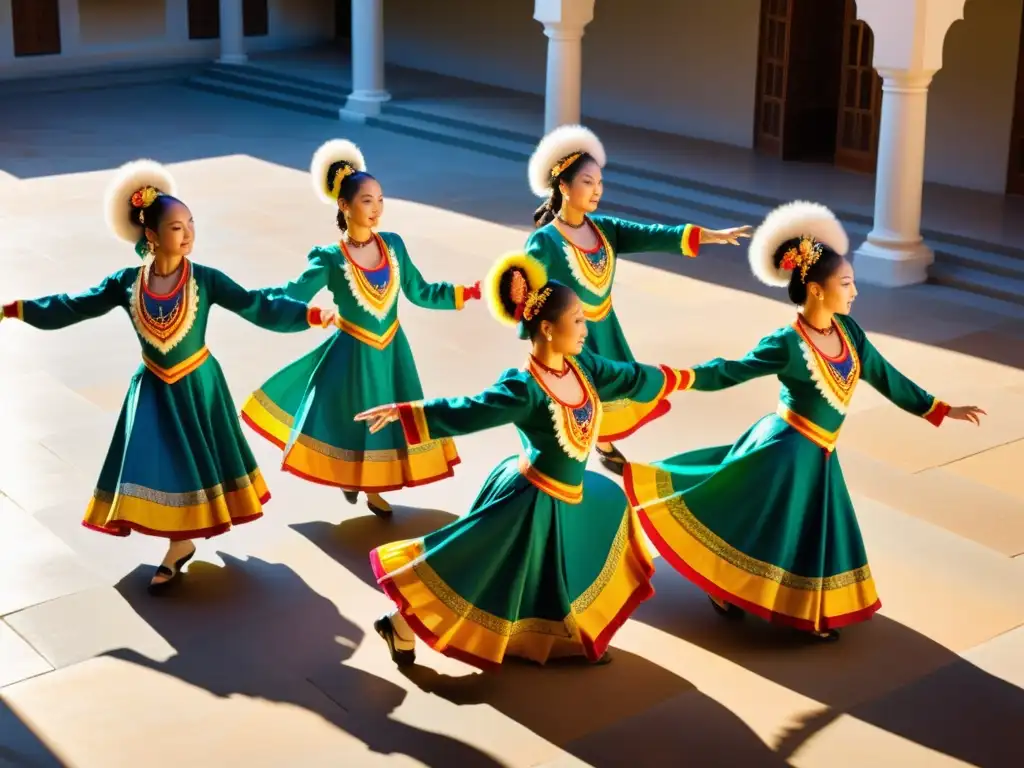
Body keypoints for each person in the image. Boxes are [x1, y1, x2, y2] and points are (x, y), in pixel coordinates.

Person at [622, 201, 986, 640]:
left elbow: (886, 376)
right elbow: (731, 370)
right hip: (784, 451)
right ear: (815, 289)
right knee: (757, 522)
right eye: (846, 283)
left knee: (800, 531)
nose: (854, 292)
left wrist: (939, 408)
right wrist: (675, 377)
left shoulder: (849, 333)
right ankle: (734, 591)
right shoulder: (787, 343)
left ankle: (802, 606)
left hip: (819, 454)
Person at [0, 160, 334, 592]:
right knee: (163, 464)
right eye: (177, 227)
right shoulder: (125, 283)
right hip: (154, 388)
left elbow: (257, 303)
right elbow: (73, 304)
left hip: (199, 385)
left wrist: (308, 313)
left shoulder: (207, 280)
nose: (189, 233)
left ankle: (180, 544)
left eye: (191, 223)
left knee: (197, 460)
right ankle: (180, 541)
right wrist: (18, 309)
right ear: (152, 236)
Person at [355, 251, 694, 669]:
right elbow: (471, 409)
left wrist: (685, 378)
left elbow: (629, 376)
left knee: (592, 534)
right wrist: (411, 411)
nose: (587, 329)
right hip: (530, 500)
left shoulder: (583, 365)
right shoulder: (524, 387)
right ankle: (398, 623)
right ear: (548, 329)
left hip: (570, 494)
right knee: (477, 570)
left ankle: (566, 638)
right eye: (578, 321)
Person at [241, 139, 479, 517]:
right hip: (352, 356)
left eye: (380, 199)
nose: (376, 209)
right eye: (367, 200)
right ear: (344, 205)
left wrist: (469, 292)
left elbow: (420, 291)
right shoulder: (331, 258)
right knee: (353, 422)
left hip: (392, 353)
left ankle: (374, 488)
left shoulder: (394, 246)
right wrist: (246, 298)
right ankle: (357, 479)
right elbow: (294, 293)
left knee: (389, 420)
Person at [526, 124, 752, 474]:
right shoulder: (545, 242)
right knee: (575, 407)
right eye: (588, 182)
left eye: (600, 182)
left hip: (605, 331)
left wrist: (712, 236)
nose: (597, 190)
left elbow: (655, 235)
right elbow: (530, 302)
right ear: (563, 186)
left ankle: (598, 444)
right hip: (571, 340)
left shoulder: (605, 229)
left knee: (607, 395)